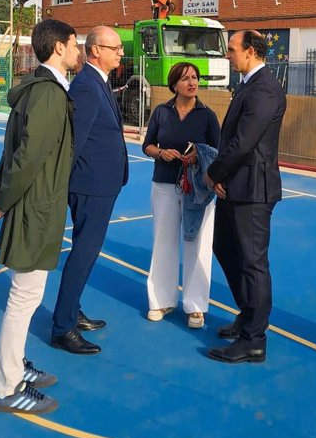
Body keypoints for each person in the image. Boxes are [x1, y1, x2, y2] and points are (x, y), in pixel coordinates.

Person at [0, 19, 79, 415]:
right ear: (58, 48)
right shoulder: (48, 94)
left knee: (27, 294)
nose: (77, 51)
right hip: (35, 206)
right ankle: (7, 387)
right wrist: (5, 200)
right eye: (74, 44)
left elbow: (13, 151)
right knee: (24, 296)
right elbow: (27, 156)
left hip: (35, 203)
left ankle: (15, 365)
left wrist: (2, 196)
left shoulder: (41, 89)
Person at [204, 30, 287, 364]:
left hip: (253, 190)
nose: (228, 55)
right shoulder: (249, 85)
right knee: (223, 246)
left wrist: (213, 173)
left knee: (253, 263)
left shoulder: (264, 88)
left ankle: (254, 339)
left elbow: (243, 142)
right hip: (235, 185)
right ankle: (248, 312)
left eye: (232, 49)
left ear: (251, 51)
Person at [50, 26, 129, 354]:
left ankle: (72, 310)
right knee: (84, 253)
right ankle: (63, 327)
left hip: (101, 183)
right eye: (116, 48)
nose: (121, 53)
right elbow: (75, 141)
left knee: (87, 252)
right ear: (96, 50)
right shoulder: (86, 86)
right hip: (90, 186)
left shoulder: (98, 82)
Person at [142, 62, 220, 327]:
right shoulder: (161, 112)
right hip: (164, 185)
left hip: (198, 190)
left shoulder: (207, 115)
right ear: (174, 84)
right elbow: (147, 145)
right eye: (186, 78)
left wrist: (199, 154)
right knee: (163, 242)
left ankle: (195, 306)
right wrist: (161, 152)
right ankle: (161, 300)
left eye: (195, 77)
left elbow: (218, 151)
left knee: (197, 243)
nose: (192, 82)